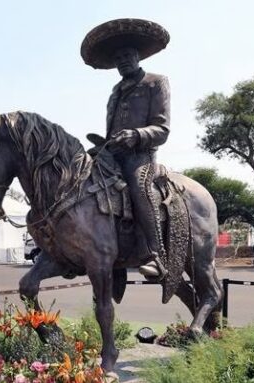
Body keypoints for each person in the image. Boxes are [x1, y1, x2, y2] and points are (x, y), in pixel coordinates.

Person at [82, 18, 171, 280]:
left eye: (127, 55)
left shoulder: (156, 82)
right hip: (111, 155)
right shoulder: (115, 91)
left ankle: (154, 255)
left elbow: (162, 130)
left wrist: (135, 135)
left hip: (139, 157)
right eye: (118, 57)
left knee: (139, 191)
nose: (123, 61)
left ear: (137, 56)